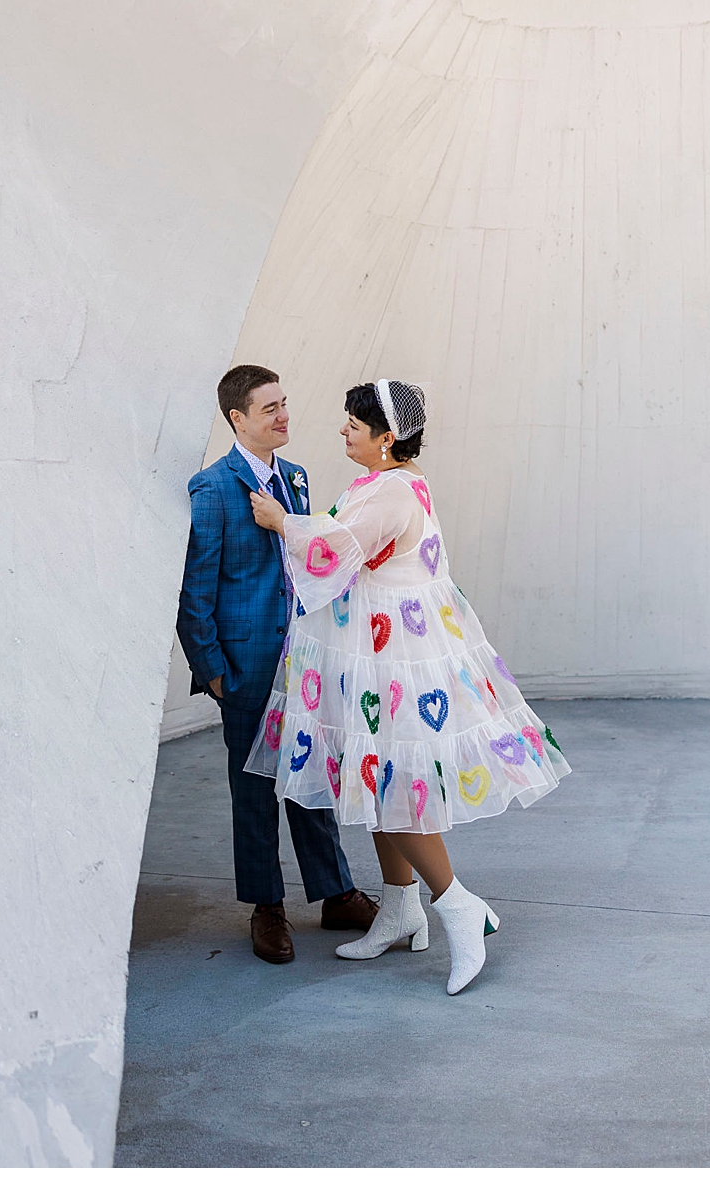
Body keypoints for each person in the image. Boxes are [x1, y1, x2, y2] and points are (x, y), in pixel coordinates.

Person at [243, 379, 571, 995]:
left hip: (394, 656)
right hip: (378, 652)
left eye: (353, 425)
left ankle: (457, 904)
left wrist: (283, 522)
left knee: (396, 781)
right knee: (377, 778)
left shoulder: (392, 490)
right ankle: (400, 906)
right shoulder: (387, 480)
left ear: (386, 438)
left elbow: (340, 546)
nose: (342, 430)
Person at [176, 365, 378, 964]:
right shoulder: (211, 488)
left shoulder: (295, 477)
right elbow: (195, 591)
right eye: (270, 409)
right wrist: (213, 671)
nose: (284, 415)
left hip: (304, 664)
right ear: (237, 419)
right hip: (246, 668)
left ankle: (335, 892)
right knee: (255, 789)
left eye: (285, 403)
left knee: (310, 777)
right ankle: (267, 908)